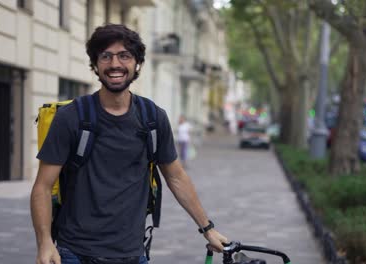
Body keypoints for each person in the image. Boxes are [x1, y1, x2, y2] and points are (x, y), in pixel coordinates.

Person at [30, 24, 228, 264]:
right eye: (106, 56)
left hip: (134, 254)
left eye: (124, 56)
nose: (115, 64)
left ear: (137, 64)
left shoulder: (153, 117)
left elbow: (176, 176)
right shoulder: (71, 117)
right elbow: (43, 186)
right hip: (75, 253)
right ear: (95, 65)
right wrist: (44, 243)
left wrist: (207, 228)